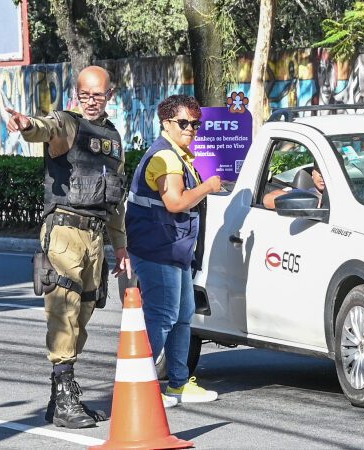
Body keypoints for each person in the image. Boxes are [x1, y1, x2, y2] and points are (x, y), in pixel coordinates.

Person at [5, 66, 131, 429]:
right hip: (64, 232)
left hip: (94, 235)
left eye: (98, 95)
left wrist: (120, 247)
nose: (91, 102)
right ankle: (64, 399)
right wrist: (27, 124)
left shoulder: (112, 137)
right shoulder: (68, 124)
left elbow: (116, 199)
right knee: (64, 310)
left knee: (84, 314)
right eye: (85, 95)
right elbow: (46, 128)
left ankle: (59, 397)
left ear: (110, 95)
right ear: (77, 94)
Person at [125, 94, 221, 406]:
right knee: (162, 316)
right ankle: (141, 387)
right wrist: (208, 187)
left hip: (173, 249)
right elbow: (175, 202)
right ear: (166, 123)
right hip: (157, 249)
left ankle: (178, 382)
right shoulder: (165, 157)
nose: (191, 128)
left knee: (182, 315)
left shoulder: (179, 155)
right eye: (184, 123)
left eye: (196, 123)